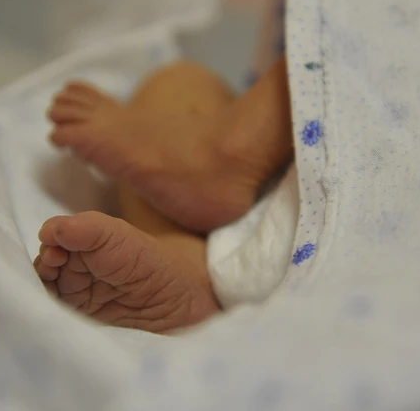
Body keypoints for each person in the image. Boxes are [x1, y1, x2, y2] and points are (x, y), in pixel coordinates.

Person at [32, 57, 293, 333]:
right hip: (287, 221)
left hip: (304, 223)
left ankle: (228, 151)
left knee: (183, 81)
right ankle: (186, 262)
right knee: (183, 83)